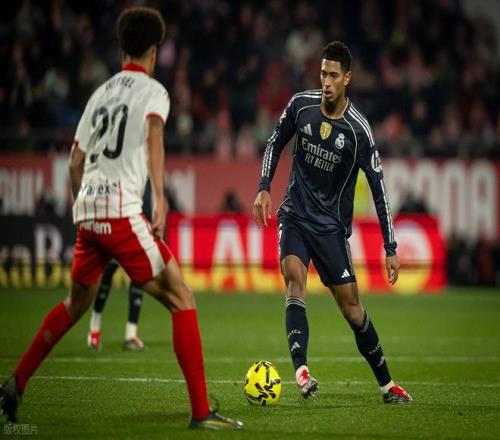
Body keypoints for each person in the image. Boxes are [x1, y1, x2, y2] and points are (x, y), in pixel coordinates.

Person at [0, 7, 243, 430]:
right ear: (154, 51)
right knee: (181, 296)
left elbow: (74, 161)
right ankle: (202, 412)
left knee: (76, 303)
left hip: (88, 210)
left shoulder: (100, 93)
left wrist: (83, 207)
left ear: (122, 49)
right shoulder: (154, 92)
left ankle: (14, 384)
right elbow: (154, 137)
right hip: (120, 209)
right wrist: (160, 198)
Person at [253, 41, 412, 404]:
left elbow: (379, 190)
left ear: (347, 79)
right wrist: (263, 188)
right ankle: (301, 371)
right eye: (323, 74)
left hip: (330, 229)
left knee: (352, 309)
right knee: (294, 279)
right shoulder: (300, 106)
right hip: (295, 215)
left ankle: (387, 385)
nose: (326, 81)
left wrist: (390, 247)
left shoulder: (358, 131)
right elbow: (274, 143)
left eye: (333, 76)